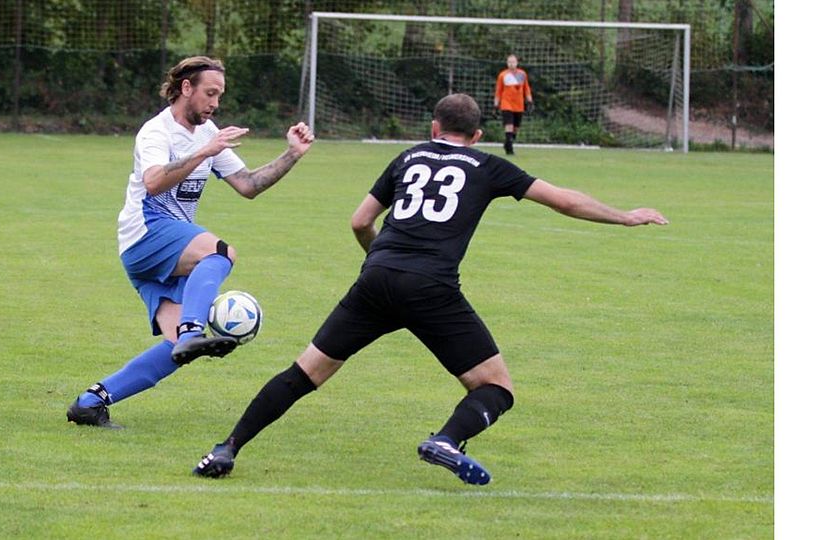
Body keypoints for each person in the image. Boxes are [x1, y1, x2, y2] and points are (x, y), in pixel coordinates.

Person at [191, 93, 667, 485]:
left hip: (376, 279)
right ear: (476, 136)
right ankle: (445, 440)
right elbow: (562, 200)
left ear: (433, 127)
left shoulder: (407, 156)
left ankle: (226, 448)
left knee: (304, 374)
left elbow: (360, 221)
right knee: (495, 387)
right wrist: (624, 216)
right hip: (432, 287)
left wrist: (378, 260)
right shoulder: (487, 164)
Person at [66, 56, 315, 429]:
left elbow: (248, 185)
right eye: (210, 93)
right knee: (220, 253)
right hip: (147, 231)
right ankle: (193, 331)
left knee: (175, 350)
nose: (215, 103)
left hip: (161, 247)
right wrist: (204, 151)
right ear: (186, 88)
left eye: (220, 95)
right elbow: (152, 182)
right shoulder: (158, 132)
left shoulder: (207, 132)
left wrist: (292, 154)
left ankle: (91, 402)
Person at [494, 54, 533, 155]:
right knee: (509, 125)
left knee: (516, 127)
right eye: (509, 62)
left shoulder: (522, 74)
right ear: (507, 63)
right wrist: (496, 104)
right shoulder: (503, 75)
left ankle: (508, 141)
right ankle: (509, 147)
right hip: (506, 104)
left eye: (513, 62)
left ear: (517, 63)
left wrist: (530, 101)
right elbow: (498, 91)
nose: (511, 64)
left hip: (519, 105)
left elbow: (526, 89)